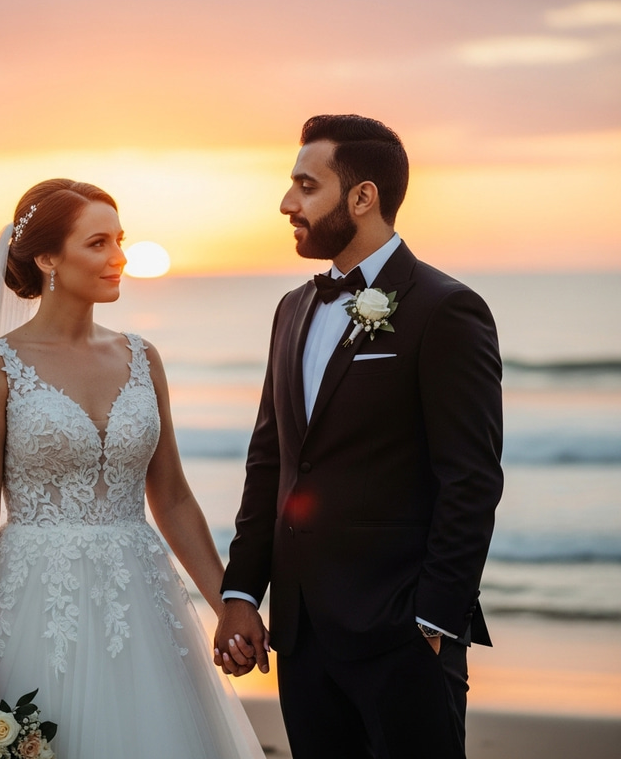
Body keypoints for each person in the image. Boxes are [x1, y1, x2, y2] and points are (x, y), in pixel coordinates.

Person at [0, 179, 265, 759]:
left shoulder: (142, 357)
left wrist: (227, 604)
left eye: (120, 240)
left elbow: (173, 497)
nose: (119, 257)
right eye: (97, 243)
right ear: (48, 257)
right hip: (34, 603)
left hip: (141, 600)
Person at [214, 115, 503, 758]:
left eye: (306, 186)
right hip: (303, 636)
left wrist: (432, 620)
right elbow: (272, 465)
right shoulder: (292, 309)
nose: (287, 203)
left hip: (401, 635)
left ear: (362, 197)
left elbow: (472, 479)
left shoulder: (445, 309)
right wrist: (241, 593)